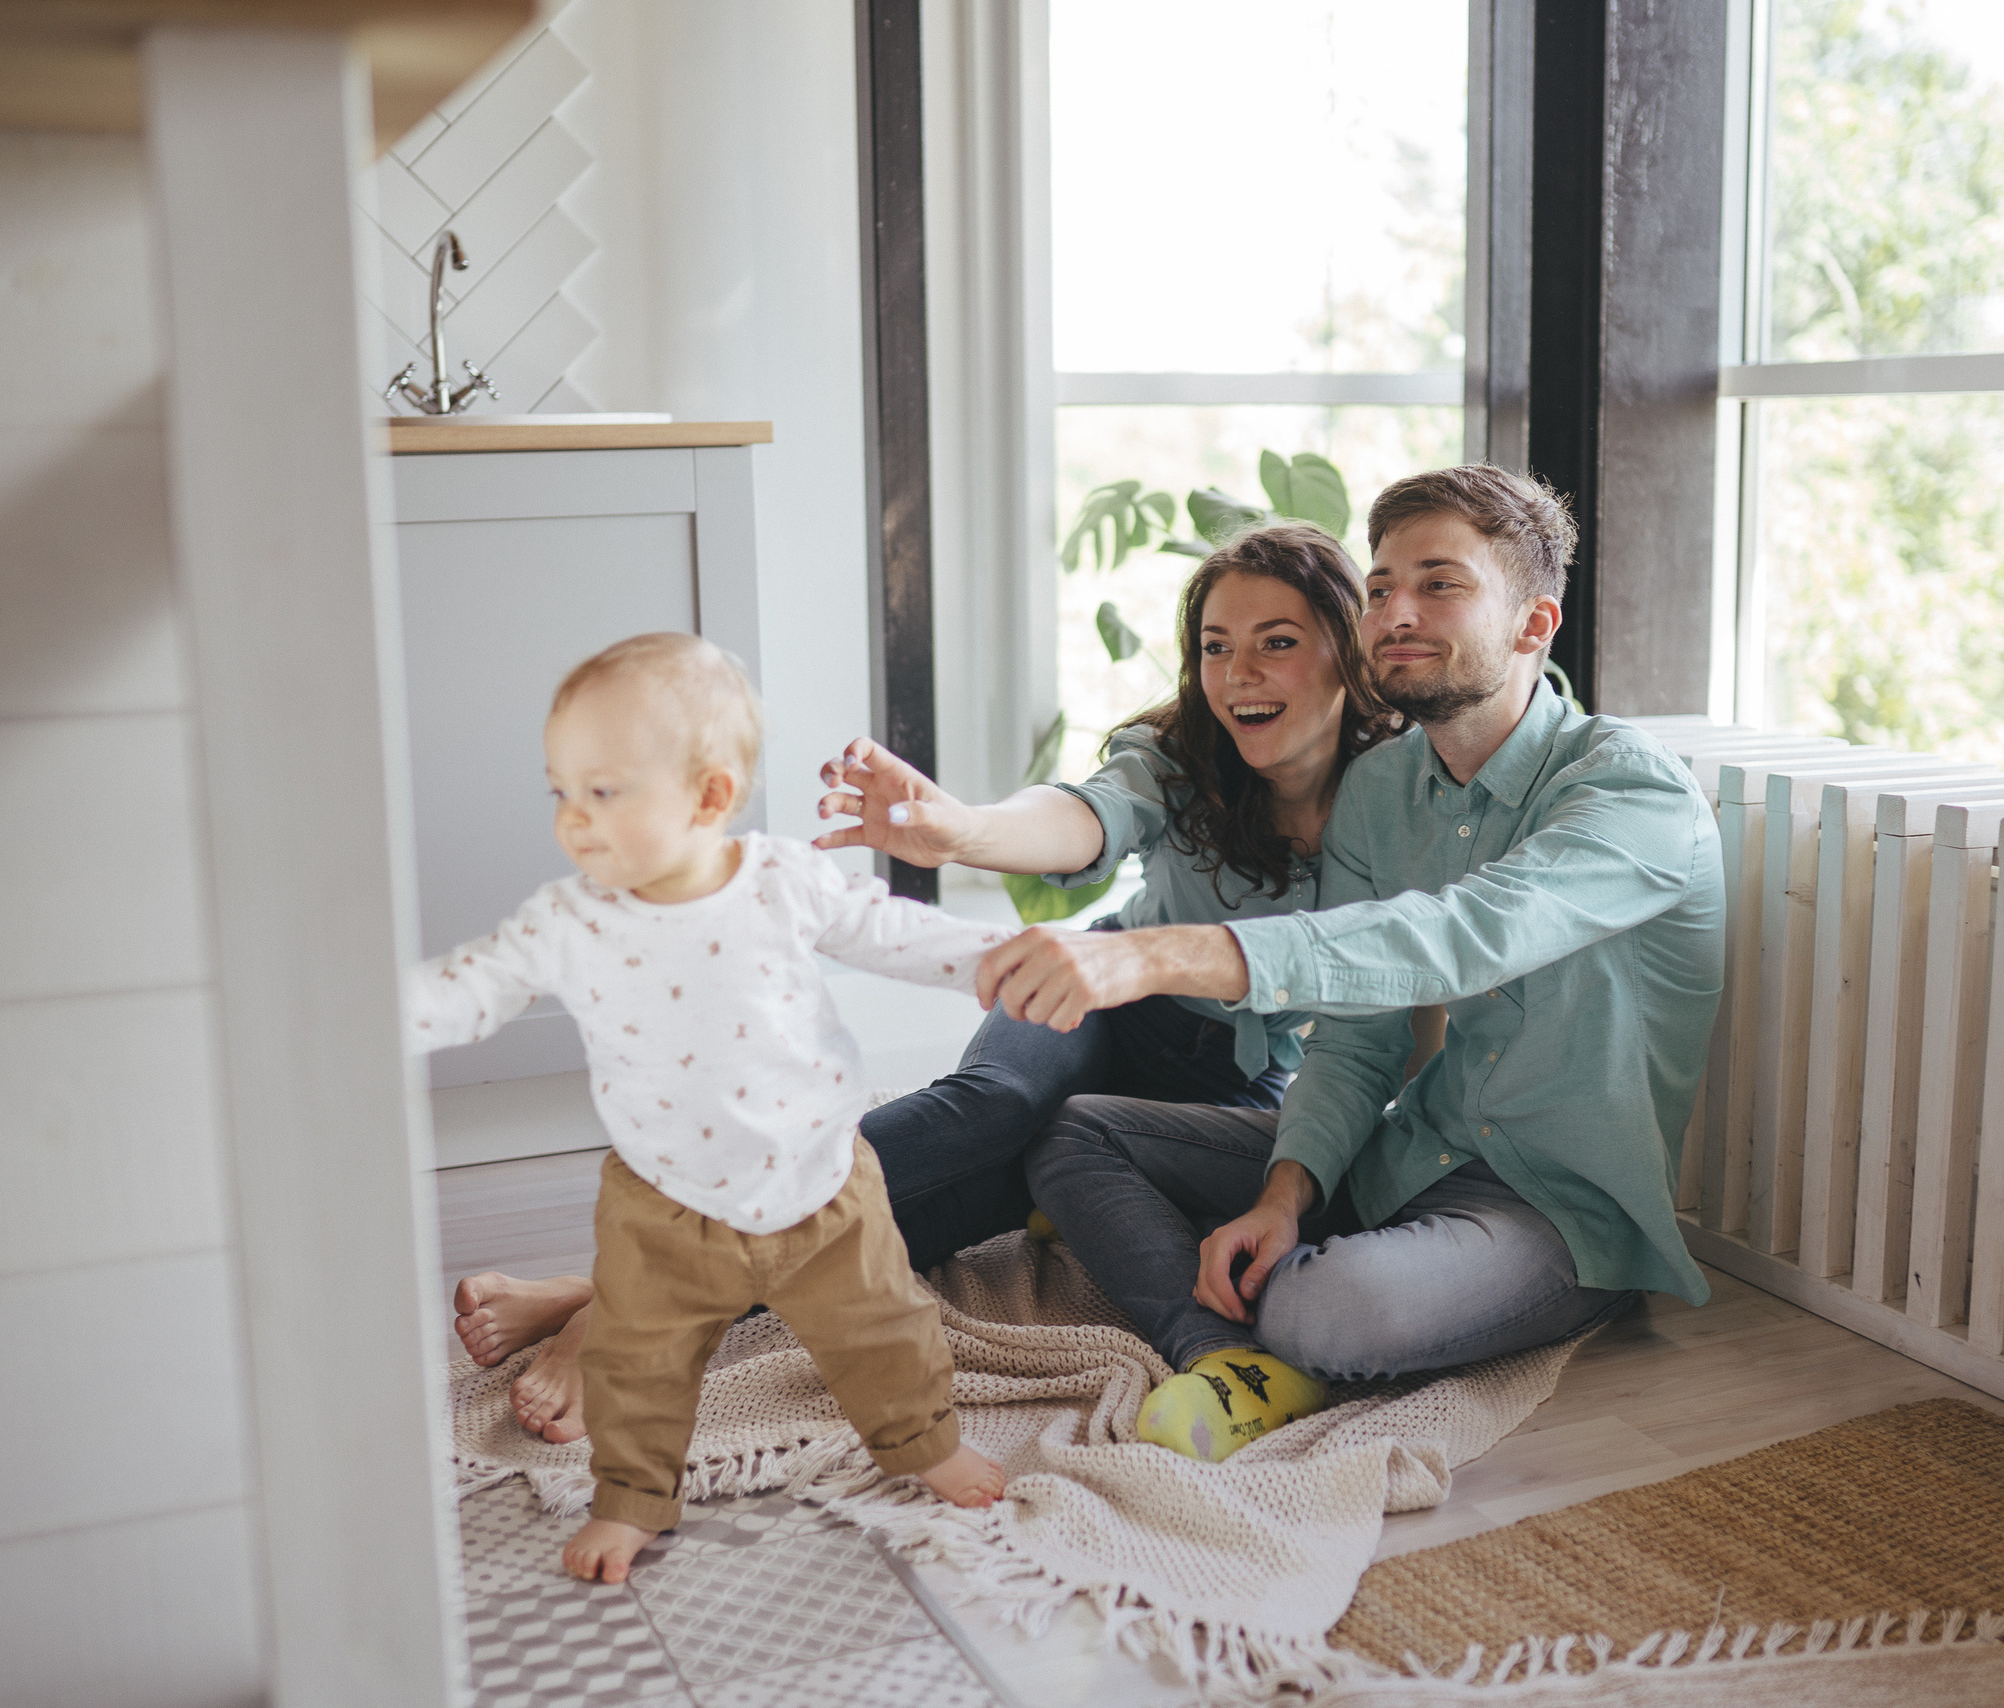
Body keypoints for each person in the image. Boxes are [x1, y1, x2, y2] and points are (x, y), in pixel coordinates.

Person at [451, 522, 1436, 1443]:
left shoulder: (1398, 797)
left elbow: (1398, 991)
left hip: (1236, 1073)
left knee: (967, 1199)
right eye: (1216, 647)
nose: (1238, 675)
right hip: (1096, 991)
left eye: (1274, 642)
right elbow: (1080, 820)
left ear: (1345, 651)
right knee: (992, 1106)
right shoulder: (1180, 757)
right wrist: (959, 828)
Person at [981, 465, 1726, 1462]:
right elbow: (1360, 1033)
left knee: (1322, 1308)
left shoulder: (1630, 791)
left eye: (1439, 583)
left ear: (1532, 623)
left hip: (1555, 1209)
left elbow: (1466, 933)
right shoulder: (1382, 790)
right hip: (1407, 1151)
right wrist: (1284, 1193)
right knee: (1076, 1131)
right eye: (1379, 588)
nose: (1395, 613)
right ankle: (1218, 1354)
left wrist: (1169, 954)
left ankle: (1294, 1330)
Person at [407, 633, 1014, 1584]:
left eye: (602, 793)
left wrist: (997, 960)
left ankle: (925, 1445)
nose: (573, 820)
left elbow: (892, 931)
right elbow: (473, 983)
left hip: (821, 1190)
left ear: (710, 797)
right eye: (560, 792)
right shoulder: (570, 920)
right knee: (639, 1365)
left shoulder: (782, 880)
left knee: (886, 1331)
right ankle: (632, 1500)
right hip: (663, 1209)